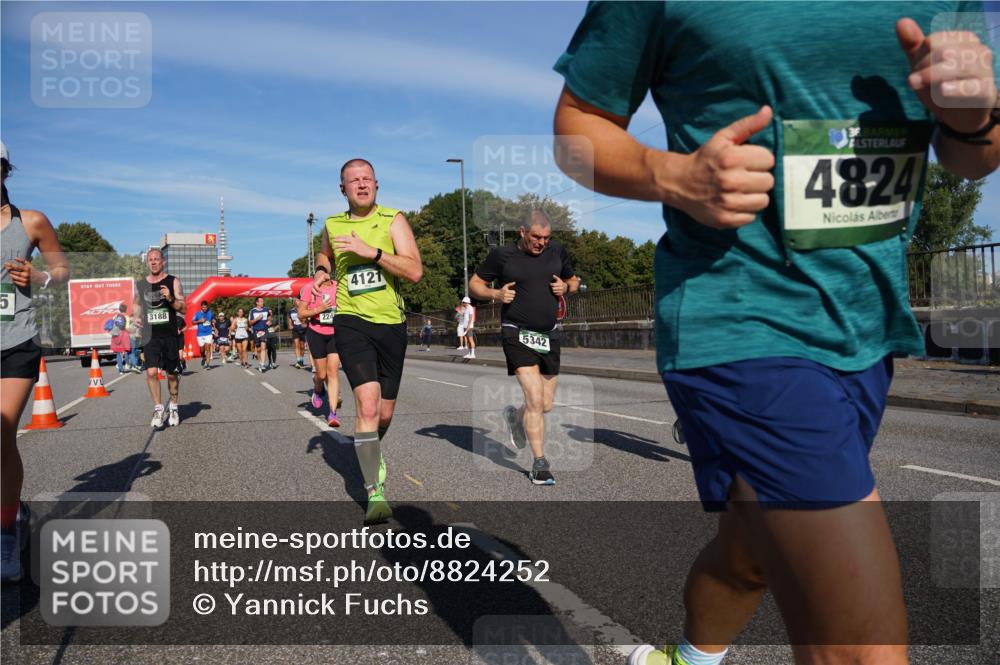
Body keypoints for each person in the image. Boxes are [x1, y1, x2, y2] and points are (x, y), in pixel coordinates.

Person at [552, 4, 1000, 664]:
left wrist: (976, 118)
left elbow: (972, 159)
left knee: (750, 552)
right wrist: (673, 176)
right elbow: (576, 131)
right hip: (740, 313)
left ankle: (687, 659)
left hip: (866, 325)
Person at [313, 158, 423, 524]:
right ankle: (374, 491)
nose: (361, 185)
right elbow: (326, 253)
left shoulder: (393, 220)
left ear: (377, 184)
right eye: (352, 181)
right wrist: (321, 271)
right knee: (368, 406)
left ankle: (372, 448)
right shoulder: (332, 224)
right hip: (351, 322)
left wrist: (371, 252)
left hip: (391, 324)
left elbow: (415, 271)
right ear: (342, 189)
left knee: (384, 415)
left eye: (366, 179)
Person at [1, 141, 70, 583]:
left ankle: (6, 530)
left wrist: (40, 276)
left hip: (16, 339)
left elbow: (63, 271)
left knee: (1, 431)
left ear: (4, 169)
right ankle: (17, 510)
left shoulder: (31, 222)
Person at [469, 210, 578, 485]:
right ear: (522, 232)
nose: (541, 243)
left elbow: (574, 280)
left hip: (549, 334)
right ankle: (540, 463)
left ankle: (515, 418)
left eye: (546, 238)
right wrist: (495, 293)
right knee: (534, 398)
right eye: (536, 237)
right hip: (516, 332)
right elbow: (474, 285)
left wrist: (566, 287)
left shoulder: (557, 252)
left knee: (546, 404)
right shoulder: (502, 256)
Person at [134, 248, 185, 428]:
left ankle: (173, 405)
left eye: (157, 259)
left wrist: (170, 298)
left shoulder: (173, 281)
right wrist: (137, 317)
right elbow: (137, 304)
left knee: (171, 375)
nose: (154, 262)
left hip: (169, 335)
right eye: (150, 260)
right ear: (147, 263)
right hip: (150, 336)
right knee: (151, 372)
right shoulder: (141, 284)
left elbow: (183, 308)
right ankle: (158, 408)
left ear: (163, 261)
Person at [298, 272, 342, 426]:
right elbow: (301, 314)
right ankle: (318, 389)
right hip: (316, 333)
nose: (324, 275)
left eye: (326, 271)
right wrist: (320, 309)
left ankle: (333, 413)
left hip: (336, 334)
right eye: (319, 273)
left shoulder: (339, 287)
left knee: (333, 372)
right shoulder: (310, 288)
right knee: (322, 375)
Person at [248, 297, 270, 372]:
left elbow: (270, 317)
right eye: (261, 301)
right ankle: (260, 362)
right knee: (258, 349)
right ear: (257, 303)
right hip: (256, 331)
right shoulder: (252, 311)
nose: (262, 303)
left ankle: (263, 364)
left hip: (264, 330)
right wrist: (257, 319)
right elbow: (250, 322)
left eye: (263, 301)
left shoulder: (266, 310)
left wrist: (269, 321)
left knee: (263, 347)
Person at [108, 303, 131, 374]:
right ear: (126, 310)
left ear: (119, 309)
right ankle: (127, 365)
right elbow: (127, 328)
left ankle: (121, 369)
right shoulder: (127, 317)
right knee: (126, 351)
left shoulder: (115, 316)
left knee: (118, 353)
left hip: (115, 335)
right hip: (124, 335)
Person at [191, 300, 215, 368]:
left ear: (207, 307)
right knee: (202, 350)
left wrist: (213, 321)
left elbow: (213, 319)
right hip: (200, 334)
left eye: (206, 307)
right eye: (203, 307)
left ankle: (207, 364)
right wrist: (199, 321)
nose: (204, 308)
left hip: (208, 333)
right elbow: (192, 322)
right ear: (201, 307)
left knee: (208, 348)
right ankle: (203, 357)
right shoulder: (197, 314)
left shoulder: (210, 313)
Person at [289, 304, 309, 369]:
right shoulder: (291, 310)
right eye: (296, 300)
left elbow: (307, 318)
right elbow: (289, 318)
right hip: (295, 329)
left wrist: (305, 323)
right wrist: (290, 324)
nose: (297, 302)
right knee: (296, 344)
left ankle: (302, 360)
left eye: (298, 300)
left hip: (303, 330)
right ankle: (298, 361)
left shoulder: (304, 309)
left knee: (302, 346)